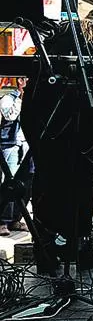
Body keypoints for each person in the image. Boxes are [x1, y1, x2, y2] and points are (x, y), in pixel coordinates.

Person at [21, 7, 93, 275]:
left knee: (46, 178)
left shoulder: (58, 35)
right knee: (82, 176)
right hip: (84, 121)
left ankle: (46, 249)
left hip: (42, 121)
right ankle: (79, 244)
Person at [0, 79, 29, 235]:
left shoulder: (33, 98)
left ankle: (16, 218)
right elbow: (10, 115)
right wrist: (21, 96)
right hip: (11, 145)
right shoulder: (8, 98)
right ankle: (3, 220)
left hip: (27, 145)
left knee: (26, 183)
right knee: (8, 182)